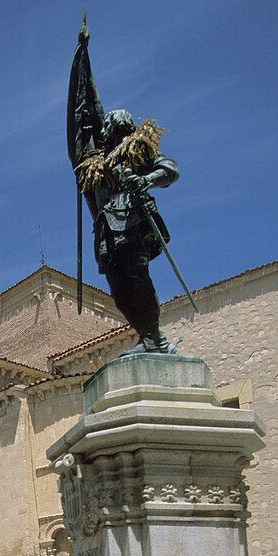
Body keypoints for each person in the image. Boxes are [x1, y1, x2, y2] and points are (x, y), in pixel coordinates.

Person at [67, 20, 180, 355]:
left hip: (132, 223)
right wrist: (82, 59)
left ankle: (156, 338)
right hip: (107, 231)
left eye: (119, 125)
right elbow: (85, 112)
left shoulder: (137, 153)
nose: (113, 130)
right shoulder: (98, 167)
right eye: (111, 127)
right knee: (118, 288)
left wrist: (144, 181)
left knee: (137, 277)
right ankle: (146, 336)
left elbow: (170, 170)